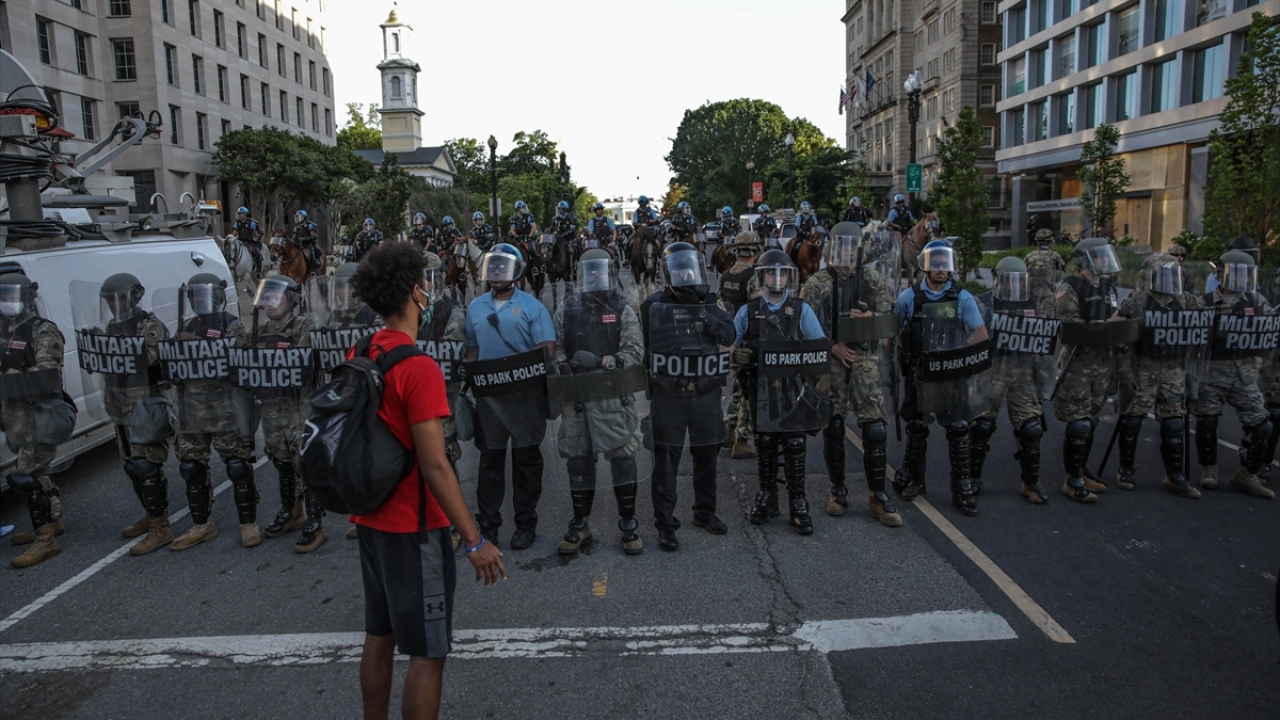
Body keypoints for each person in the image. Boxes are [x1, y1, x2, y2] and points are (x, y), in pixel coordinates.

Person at [346, 241, 506, 720]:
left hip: (371, 518)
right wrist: (475, 540)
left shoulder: (363, 349)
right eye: (424, 285)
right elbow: (435, 465)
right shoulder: (418, 367)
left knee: (379, 634)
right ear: (415, 293)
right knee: (428, 652)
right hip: (413, 527)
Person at [799, 223, 902, 526]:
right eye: (841, 246)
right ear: (833, 248)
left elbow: (891, 322)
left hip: (865, 359)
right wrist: (831, 346)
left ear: (859, 249)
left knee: (875, 429)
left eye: (851, 246)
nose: (846, 252)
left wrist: (870, 317)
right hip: (830, 362)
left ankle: (877, 496)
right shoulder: (817, 284)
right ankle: (838, 490)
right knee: (833, 426)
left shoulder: (873, 280)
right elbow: (802, 327)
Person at [641, 242, 736, 551]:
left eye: (688, 269)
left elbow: (729, 335)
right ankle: (665, 524)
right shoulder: (654, 304)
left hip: (706, 391)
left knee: (707, 454)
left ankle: (705, 512)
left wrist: (703, 311)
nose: (683, 275)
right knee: (666, 461)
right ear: (668, 272)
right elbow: (641, 346)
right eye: (677, 270)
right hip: (669, 393)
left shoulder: (710, 300)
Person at [552, 250, 646, 556]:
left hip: (612, 396)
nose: (594, 276)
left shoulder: (621, 308)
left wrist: (602, 360)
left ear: (610, 273)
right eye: (588, 271)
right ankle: (581, 523)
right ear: (581, 275)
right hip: (577, 399)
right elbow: (554, 347)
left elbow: (634, 352)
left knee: (623, 460)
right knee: (578, 462)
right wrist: (562, 365)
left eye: (599, 271)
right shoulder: (567, 308)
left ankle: (628, 523)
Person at [463, 243, 556, 550]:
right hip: (490, 399)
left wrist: (516, 368)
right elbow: (473, 347)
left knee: (526, 460)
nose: (496, 272)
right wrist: (469, 368)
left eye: (502, 267)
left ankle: (525, 524)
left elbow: (547, 348)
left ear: (515, 271)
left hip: (525, 397)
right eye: (492, 266)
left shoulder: (532, 306)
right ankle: (488, 526)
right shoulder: (476, 307)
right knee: (490, 461)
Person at [894, 240, 990, 517]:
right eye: (935, 263)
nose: (941, 268)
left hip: (951, 376)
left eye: (945, 263)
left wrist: (958, 354)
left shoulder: (962, 297)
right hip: (919, 375)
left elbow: (980, 334)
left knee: (958, 428)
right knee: (917, 428)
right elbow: (893, 333)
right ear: (926, 265)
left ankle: (961, 487)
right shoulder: (908, 298)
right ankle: (915, 479)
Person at [736, 250, 828, 534]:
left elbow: (818, 345)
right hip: (760, 389)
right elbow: (730, 345)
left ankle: (798, 502)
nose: (777, 279)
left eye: (782, 274)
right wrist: (738, 353)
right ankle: (767, 496)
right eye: (771, 273)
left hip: (793, 390)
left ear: (790, 277)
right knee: (765, 442)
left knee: (794, 443)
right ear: (761, 276)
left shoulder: (801, 310)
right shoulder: (747, 311)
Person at [168, 274, 260, 550]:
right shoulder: (186, 326)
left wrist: (197, 344)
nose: (199, 301)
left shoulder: (232, 326)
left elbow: (239, 364)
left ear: (218, 298)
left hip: (224, 407)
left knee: (237, 466)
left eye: (204, 296)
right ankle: (201, 525)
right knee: (191, 468)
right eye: (194, 297)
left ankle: (248, 524)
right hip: (192, 408)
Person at [86, 273, 175, 554]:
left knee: (146, 465)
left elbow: (147, 357)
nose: (115, 305)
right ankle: (151, 513)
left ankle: (160, 527)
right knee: (131, 466)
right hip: (120, 405)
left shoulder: (149, 325)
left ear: (135, 298)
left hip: (145, 405)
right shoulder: (112, 327)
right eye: (110, 300)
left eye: (119, 299)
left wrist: (108, 345)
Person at [1113, 254, 1207, 499]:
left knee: (1174, 423)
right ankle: (1125, 469)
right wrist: (1123, 368)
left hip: (1173, 370)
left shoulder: (1186, 300)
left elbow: (1203, 326)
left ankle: (1174, 475)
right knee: (1132, 420)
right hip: (1142, 369)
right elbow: (1118, 327)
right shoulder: (1139, 299)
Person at [969, 257, 1059, 505]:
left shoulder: (1035, 304)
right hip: (993, 370)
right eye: (1008, 280)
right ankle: (972, 477)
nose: (1013, 285)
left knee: (1031, 428)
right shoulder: (986, 303)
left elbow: (1047, 342)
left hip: (1023, 372)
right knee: (981, 426)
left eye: (1019, 280)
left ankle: (1031, 483)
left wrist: (1044, 380)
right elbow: (971, 336)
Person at [1052, 237, 1130, 503]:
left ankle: (1082, 470)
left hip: (1103, 363)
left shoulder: (1109, 288)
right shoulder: (1069, 288)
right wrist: (1109, 324)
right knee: (1079, 422)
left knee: (1091, 419)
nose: (1104, 261)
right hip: (1078, 364)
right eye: (1098, 256)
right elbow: (1070, 328)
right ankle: (1072, 479)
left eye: (1106, 255)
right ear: (1084, 260)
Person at [251, 277, 324, 552]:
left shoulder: (304, 326)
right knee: (280, 461)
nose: (270, 303)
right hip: (271, 407)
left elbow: (305, 364)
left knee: (304, 463)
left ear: (291, 300)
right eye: (266, 298)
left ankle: (316, 521)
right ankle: (292, 511)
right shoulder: (258, 331)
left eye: (276, 297)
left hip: (299, 407)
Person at [1195, 251, 1276, 499]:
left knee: (1262, 425)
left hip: (1244, 374)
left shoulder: (1254, 299)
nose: (1240, 278)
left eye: (1245, 274)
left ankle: (1248, 474)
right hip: (1213, 373)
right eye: (1235, 273)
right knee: (1207, 421)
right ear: (1221, 273)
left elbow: (1270, 327)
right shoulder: (1206, 302)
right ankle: (1209, 469)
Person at [2, 274, 69, 567]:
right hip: (14, 416)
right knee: (38, 471)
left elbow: (47, 373)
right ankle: (52, 519)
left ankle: (45, 540)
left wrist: (8, 378)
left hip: (39, 414)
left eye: (12, 296)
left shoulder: (43, 330)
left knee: (28, 474)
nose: (7, 302)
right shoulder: (5, 330)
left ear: (28, 298)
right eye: (3, 296)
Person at [718, 233, 762, 459]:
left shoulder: (725, 276)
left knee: (739, 386)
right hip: (748, 341)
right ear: (755, 251)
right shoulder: (754, 277)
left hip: (730, 339)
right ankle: (742, 439)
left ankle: (728, 431)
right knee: (749, 390)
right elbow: (757, 310)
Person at [230, 207, 266, 279]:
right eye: (239, 214)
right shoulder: (237, 223)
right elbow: (234, 232)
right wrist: (231, 236)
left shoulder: (252, 222)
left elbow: (260, 232)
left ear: (245, 214)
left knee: (257, 253)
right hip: (240, 241)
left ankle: (259, 271)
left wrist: (257, 238)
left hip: (250, 241)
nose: (240, 215)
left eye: (242, 214)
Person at [292, 210, 323, 276]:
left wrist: (304, 239)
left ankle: (313, 270)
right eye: (297, 217)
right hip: (298, 244)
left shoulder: (310, 225)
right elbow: (294, 236)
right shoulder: (296, 227)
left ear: (304, 217)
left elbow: (314, 236)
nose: (298, 219)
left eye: (299, 217)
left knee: (311, 253)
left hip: (308, 244)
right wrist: (293, 240)